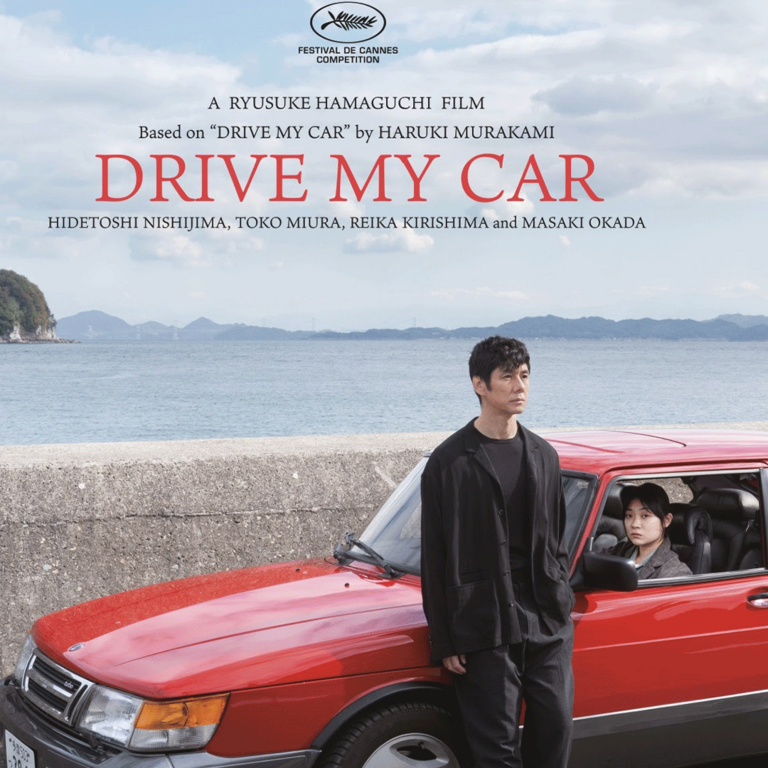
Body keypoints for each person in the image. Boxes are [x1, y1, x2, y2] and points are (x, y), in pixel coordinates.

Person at [420, 335, 574, 768]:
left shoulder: (544, 455)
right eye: (507, 377)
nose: (519, 386)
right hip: (483, 622)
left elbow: (556, 539)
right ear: (479, 385)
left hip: (545, 618)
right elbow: (434, 556)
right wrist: (444, 637)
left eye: (524, 376)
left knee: (556, 730)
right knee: (495, 749)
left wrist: (560, 597)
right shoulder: (449, 462)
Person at [609, 483, 692, 579]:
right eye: (629, 515)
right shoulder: (620, 550)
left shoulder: (675, 573)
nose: (635, 524)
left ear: (666, 520)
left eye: (645, 516)